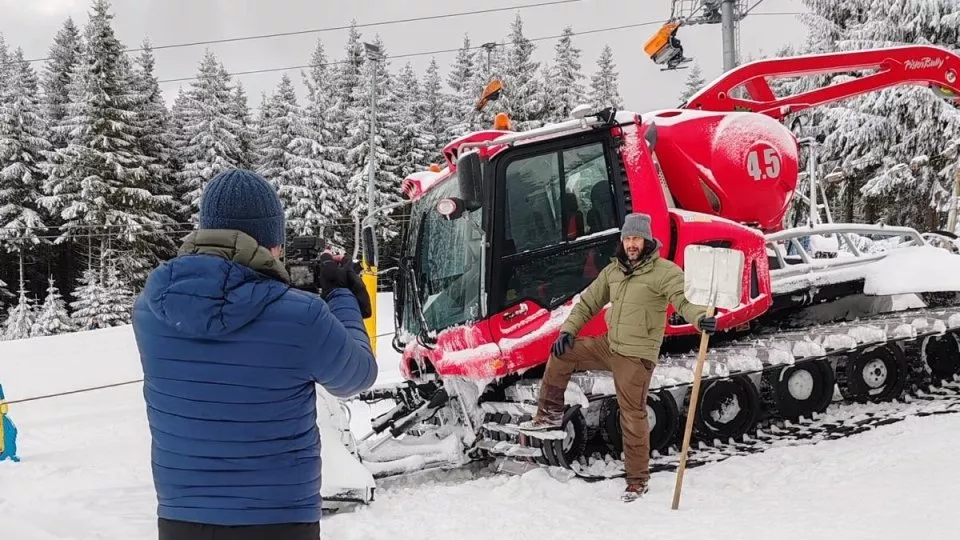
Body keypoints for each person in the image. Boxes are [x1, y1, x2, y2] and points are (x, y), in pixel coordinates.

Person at [132, 169, 378, 540]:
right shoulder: (301, 316)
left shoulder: (150, 312)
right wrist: (341, 296)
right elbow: (357, 376)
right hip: (279, 519)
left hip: (182, 518)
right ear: (271, 244)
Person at [520, 212, 716, 502]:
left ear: (647, 239)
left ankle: (637, 481)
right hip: (609, 345)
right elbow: (588, 302)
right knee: (563, 354)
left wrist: (700, 318)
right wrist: (568, 331)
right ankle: (549, 414)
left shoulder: (665, 272)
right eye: (627, 238)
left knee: (631, 414)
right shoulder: (614, 271)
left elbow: (683, 300)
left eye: (636, 238)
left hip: (635, 357)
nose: (631, 243)